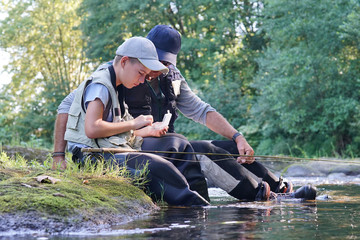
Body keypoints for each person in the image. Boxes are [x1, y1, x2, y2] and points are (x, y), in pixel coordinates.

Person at [53, 26, 316, 201]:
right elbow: (68, 107)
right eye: (156, 60)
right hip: (137, 144)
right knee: (196, 149)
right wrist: (58, 155)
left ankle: (281, 189)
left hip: (163, 143)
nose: (160, 68)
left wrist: (238, 136)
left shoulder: (173, 78)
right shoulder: (117, 73)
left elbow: (202, 111)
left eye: (166, 62)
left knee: (223, 146)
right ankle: (260, 196)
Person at [62, 36, 210, 206]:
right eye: (140, 73)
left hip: (111, 146)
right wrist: (134, 123)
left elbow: (115, 131)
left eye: (145, 76)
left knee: (178, 144)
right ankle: (196, 209)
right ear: (124, 61)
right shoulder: (100, 85)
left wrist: (147, 131)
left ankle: (204, 204)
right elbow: (92, 129)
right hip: (91, 157)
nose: (142, 81)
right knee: (154, 166)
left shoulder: (119, 85)